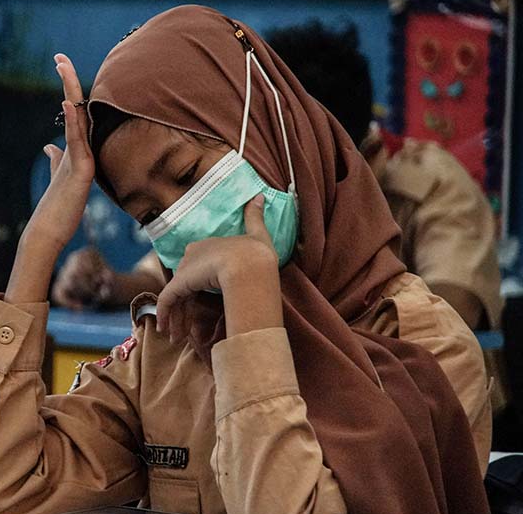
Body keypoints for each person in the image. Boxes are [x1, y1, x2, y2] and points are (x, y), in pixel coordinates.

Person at [0, 6, 502, 514]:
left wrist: (253, 298)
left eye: (187, 175)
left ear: (272, 134)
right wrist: (37, 249)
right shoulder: (172, 346)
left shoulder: (429, 348)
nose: (181, 217)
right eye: (149, 214)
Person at [56, 21, 503, 334]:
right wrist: (110, 284)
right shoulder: (235, 190)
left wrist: (287, 312)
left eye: (186, 173)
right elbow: (172, 272)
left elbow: (453, 308)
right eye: (148, 213)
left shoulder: (434, 185)